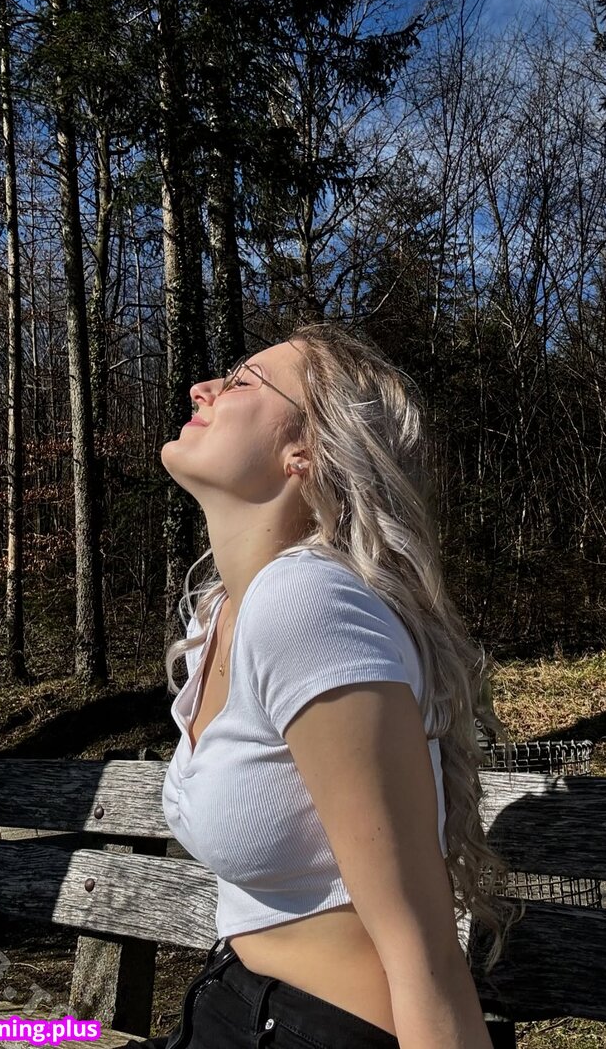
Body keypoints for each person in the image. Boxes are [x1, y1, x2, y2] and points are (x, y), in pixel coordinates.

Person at [145, 323, 519, 1049]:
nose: (202, 388)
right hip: (231, 1007)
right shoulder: (220, 611)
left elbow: (424, 952)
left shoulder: (308, 605)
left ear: (306, 452)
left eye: (243, 381)